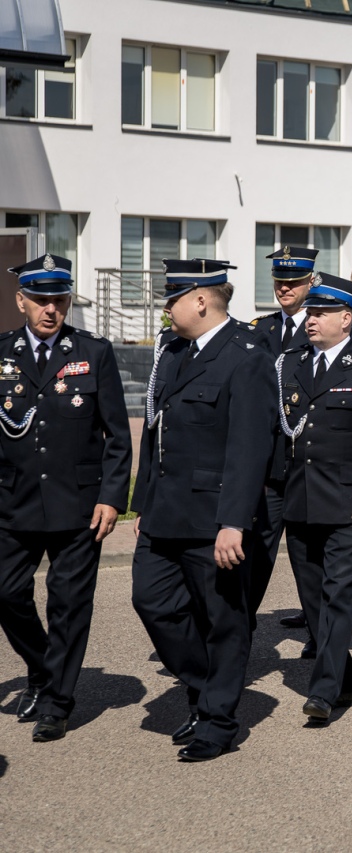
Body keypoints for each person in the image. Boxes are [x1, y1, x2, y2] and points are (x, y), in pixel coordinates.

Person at [130, 259, 275, 761]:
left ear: (200, 300)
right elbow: (156, 435)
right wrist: (142, 506)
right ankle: (205, 686)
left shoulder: (247, 354)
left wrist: (234, 521)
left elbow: (249, 446)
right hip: (165, 512)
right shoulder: (173, 353)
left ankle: (217, 721)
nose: (165, 310)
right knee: (152, 601)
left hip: (215, 517)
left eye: (171, 300)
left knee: (224, 620)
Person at [0, 254, 131, 743]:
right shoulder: (3, 352)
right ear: (21, 301)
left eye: (59, 299)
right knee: (7, 591)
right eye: (40, 300)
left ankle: (57, 701)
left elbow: (118, 434)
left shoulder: (93, 352)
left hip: (79, 503)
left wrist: (113, 497)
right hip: (13, 501)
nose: (50, 309)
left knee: (69, 604)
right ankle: (42, 667)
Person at [279, 272, 352, 723]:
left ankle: (324, 692)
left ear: (346, 318)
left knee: (338, 600)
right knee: (313, 603)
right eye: (311, 311)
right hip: (300, 503)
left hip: (350, 507)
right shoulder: (290, 365)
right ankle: (344, 680)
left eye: (323, 312)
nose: (312, 319)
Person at [249, 247, 315, 636]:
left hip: (309, 460)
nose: (285, 288)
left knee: (308, 554)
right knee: (258, 548)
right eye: (280, 282)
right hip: (270, 463)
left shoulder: (328, 324)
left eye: (293, 282)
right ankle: (241, 623)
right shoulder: (263, 329)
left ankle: (317, 629)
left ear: (310, 282)